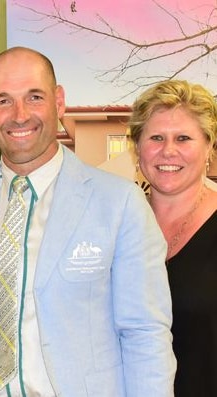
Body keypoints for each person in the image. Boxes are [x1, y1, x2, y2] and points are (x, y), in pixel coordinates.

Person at [0, 46, 176, 396]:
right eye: (3, 100)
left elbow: (145, 334)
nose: (19, 115)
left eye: (34, 97)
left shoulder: (119, 203)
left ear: (59, 102)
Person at [128, 79, 217, 396]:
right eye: (155, 137)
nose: (168, 150)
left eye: (183, 138)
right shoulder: (118, 225)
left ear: (208, 145)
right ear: (137, 147)